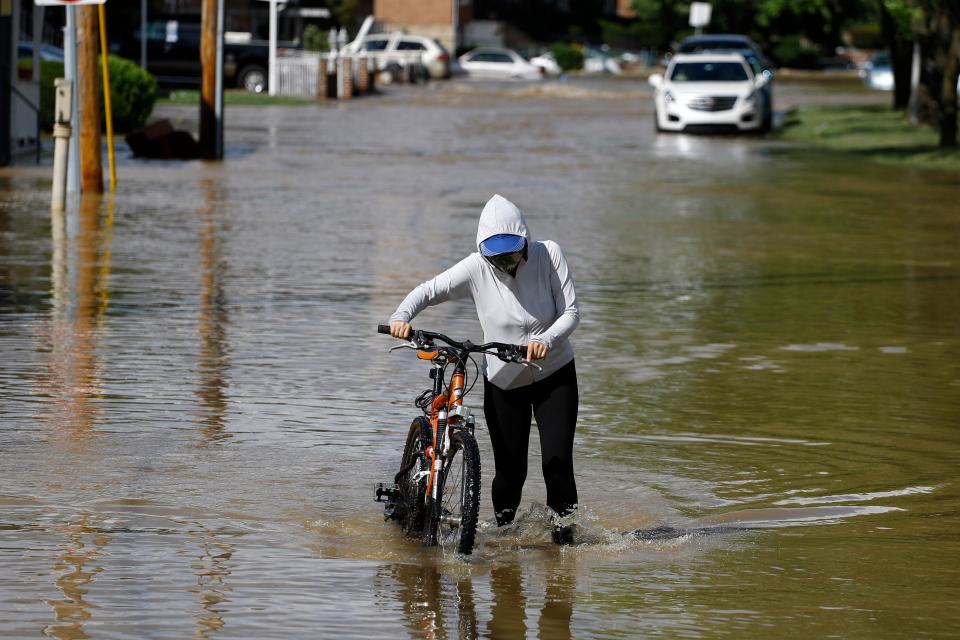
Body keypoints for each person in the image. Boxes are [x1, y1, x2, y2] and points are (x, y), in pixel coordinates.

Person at [388, 194, 580, 544]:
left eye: (513, 254)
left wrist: (546, 341)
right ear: (484, 252)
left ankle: (564, 545)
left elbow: (571, 313)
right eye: (499, 258)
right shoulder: (476, 267)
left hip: (555, 374)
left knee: (557, 462)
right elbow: (429, 290)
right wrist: (401, 317)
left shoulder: (549, 254)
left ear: (526, 241)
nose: (507, 263)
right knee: (510, 472)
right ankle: (505, 539)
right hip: (504, 382)